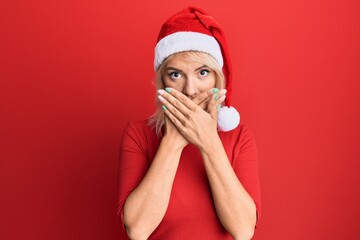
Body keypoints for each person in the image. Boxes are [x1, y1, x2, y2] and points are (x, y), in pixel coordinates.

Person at [117, 6, 261, 240]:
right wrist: (173, 141)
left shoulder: (239, 138)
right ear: (162, 82)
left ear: (217, 77)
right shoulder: (138, 135)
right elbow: (138, 229)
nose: (190, 90)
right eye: (176, 74)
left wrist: (209, 142)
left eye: (202, 72)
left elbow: (243, 231)